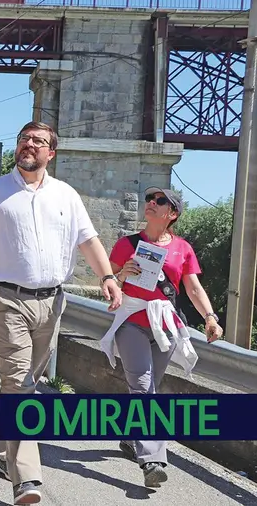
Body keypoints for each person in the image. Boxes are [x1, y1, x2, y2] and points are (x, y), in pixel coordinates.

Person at [0, 121, 122, 505]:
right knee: (22, 387)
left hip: (52, 302)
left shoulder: (66, 195)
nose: (29, 145)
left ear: (51, 153)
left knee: (22, 381)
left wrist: (107, 277)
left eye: (38, 141)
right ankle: (27, 479)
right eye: (23, 139)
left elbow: (88, 240)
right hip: (7, 300)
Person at [101, 186, 221, 488]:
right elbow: (106, 283)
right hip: (132, 322)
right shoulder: (126, 244)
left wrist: (210, 317)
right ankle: (153, 458)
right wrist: (120, 277)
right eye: (149, 200)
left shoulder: (182, 248)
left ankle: (131, 438)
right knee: (142, 387)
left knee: (149, 387)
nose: (151, 203)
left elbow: (192, 288)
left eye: (160, 201)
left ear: (172, 214)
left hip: (165, 325)